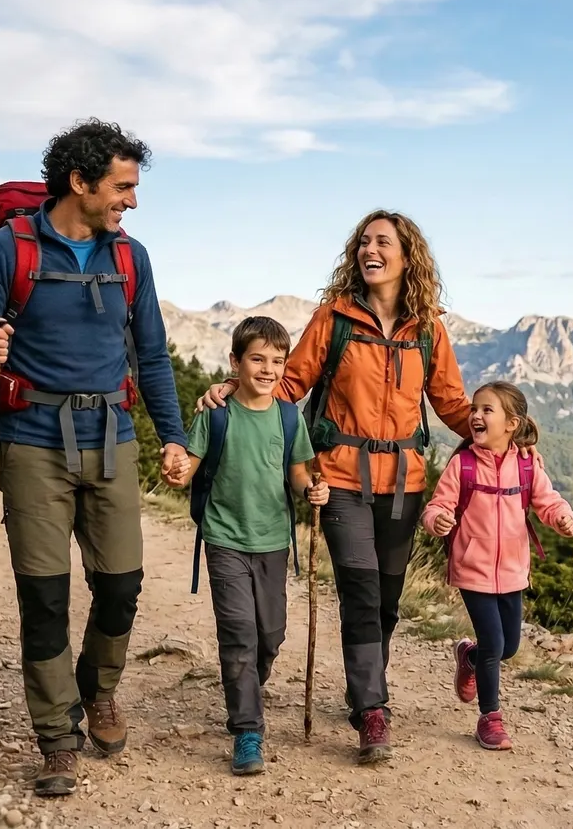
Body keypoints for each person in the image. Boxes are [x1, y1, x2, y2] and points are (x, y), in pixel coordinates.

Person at [0, 119, 189, 797]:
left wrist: (173, 436)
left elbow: (154, 355)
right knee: (45, 597)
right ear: (80, 182)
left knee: (121, 584)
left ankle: (97, 687)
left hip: (111, 438)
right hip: (31, 442)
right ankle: (56, 735)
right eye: (122, 187)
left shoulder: (131, 258)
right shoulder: (5, 250)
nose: (131, 201)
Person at [196, 209, 470, 764]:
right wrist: (233, 387)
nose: (370, 249)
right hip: (340, 476)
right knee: (362, 593)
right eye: (364, 242)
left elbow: (450, 402)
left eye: (382, 242)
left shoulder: (428, 328)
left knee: (387, 603)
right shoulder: (335, 318)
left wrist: (501, 435)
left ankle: (363, 684)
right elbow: (289, 381)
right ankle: (372, 710)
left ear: (406, 256)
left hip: (404, 481)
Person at [164, 316, 329, 775]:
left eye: (278, 361)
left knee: (269, 634)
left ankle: (249, 687)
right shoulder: (215, 414)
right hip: (225, 539)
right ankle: (247, 730)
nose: (268, 369)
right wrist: (177, 469)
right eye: (257, 359)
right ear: (235, 362)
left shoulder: (288, 414)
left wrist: (311, 490)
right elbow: (191, 465)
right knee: (238, 631)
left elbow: (298, 472)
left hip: (274, 541)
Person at [421, 381, 573, 750]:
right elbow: (438, 505)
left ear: (512, 424)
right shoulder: (462, 464)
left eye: (486, 410)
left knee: (507, 646)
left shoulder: (526, 465)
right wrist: (437, 520)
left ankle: (469, 656)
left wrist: (563, 517)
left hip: (513, 569)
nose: (476, 415)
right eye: (475, 408)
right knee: (494, 641)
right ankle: (490, 719)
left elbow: (548, 501)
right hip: (472, 568)